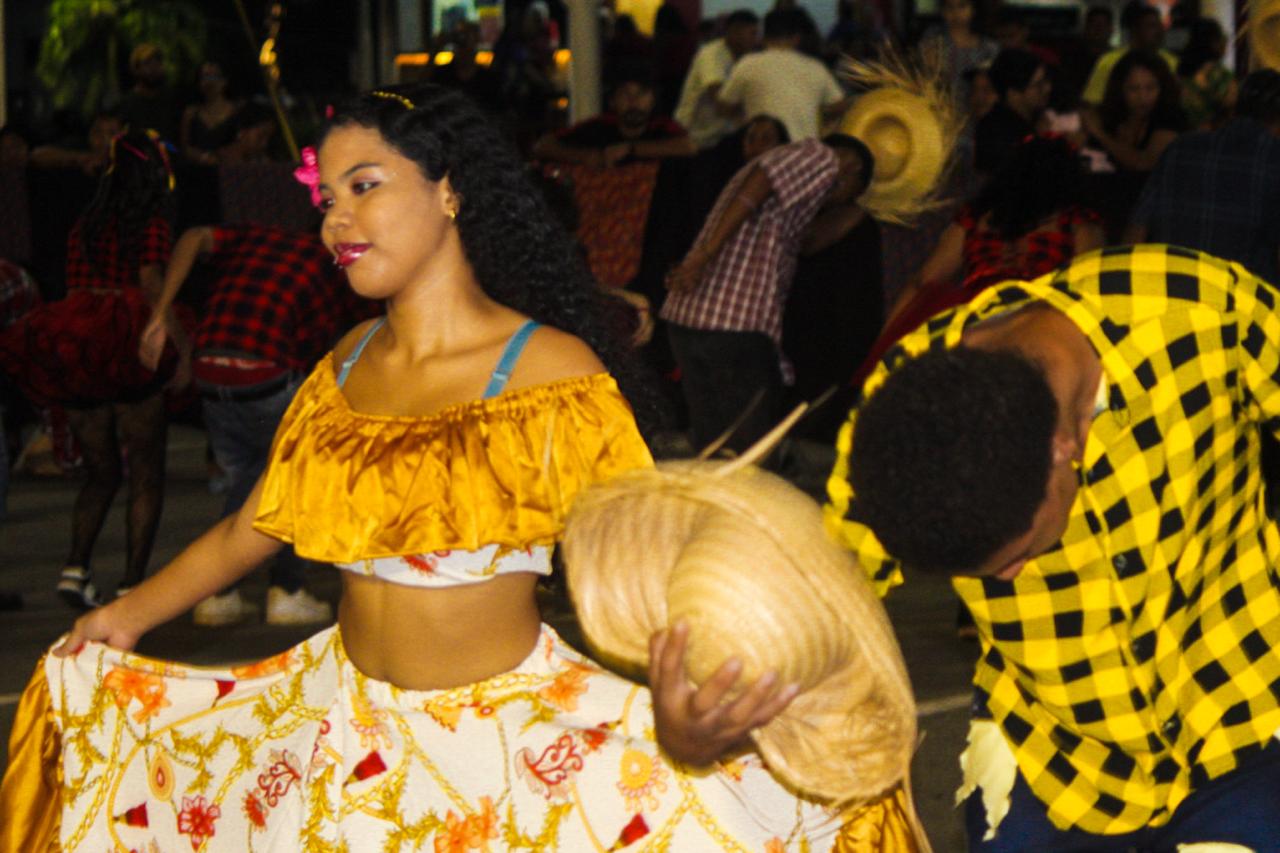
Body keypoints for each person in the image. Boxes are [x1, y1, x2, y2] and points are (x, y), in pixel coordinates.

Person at [0, 84, 890, 851]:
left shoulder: (549, 372)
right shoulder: (345, 363)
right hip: (343, 729)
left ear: (451, 189)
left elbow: (647, 560)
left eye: (364, 186)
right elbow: (252, 526)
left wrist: (688, 702)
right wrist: (123, 616)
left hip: (500, 744)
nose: (336, 219)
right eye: (327, 198)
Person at [827, 243, 1280, 851]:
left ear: (1067, 447)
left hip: (1243, 719)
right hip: (1056, 761)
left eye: (1020, 552)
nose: (1010, 576)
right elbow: (825, 584)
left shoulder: (1199, 311)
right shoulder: (904, 402)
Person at [137, 224, 376, 626]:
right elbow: (341, 343)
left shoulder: (258, 237)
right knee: (296, 478)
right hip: (264, 372)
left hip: (211, 368)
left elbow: (193, 237)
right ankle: (286, 589)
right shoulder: (337, 266)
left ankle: (220, 594)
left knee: (245, 481)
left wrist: (161, 311)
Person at [0, 129, 187, 609]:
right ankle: (131, 584)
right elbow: (150, 281)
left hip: (80, 341)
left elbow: (74, 283)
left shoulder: (86, 221)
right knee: (146, 472)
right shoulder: (150, 221)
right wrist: (180, 344)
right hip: (128, 341)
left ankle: (75, 568)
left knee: (100, 471)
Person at [661, 134, 873, 455]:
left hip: (691, 319)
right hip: (733, 319)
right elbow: (761, 183)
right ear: (852, 169)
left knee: (714, 445)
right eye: (850, 194)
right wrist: (705, 254)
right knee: (750, 450)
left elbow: (807, 242)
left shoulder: (789, 189)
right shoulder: (822, 158)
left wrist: (856, 212)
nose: (835, 203)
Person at [876, 135, 1103, 370]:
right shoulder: (1077, 222)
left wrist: (885, 342)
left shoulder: (976, 218)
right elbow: (1084, 287)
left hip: (975, 312)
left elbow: (924, 280)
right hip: (1036, 317)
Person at [1127, 69, 1280, 283]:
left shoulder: (1181, 148)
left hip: (1170, 287)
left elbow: (1137, 228)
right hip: (1242, 296)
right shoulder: (1273, 158)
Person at [1082, 49, 1187, 240]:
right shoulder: (1111, 118)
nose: (1143, 97)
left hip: (1153, 223)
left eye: (1150, 88)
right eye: (1134, 89)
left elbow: (1145, 162)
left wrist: (1101, 135)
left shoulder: (1170, 118)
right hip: (1107, 218)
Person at [717, 8, 852, 141]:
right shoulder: (815, 67)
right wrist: (815, 112)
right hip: (805, 150)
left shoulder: (747, 64)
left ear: (763, 37)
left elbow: (724, 107)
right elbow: (840, 106)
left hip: (763, 148)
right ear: (797, 38)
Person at [531, 71, 695, 165]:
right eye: (625, 94)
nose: (633, 101)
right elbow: (542, 146)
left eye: (641, 94)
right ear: (613, 101)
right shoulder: (597, 127)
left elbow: (689, 146)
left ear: (652, 101)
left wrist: (631, 149)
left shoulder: (662, 127)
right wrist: (588, 156)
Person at [673, 9, 760, 150]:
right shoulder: (712, 54)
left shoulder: (745, 58)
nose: (756, 40)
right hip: (693, 137)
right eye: (753, 33)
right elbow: (720, 101)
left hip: (719, 136)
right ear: (735, 32)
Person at [1080, 1, 1177, 105]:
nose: (1159, 31)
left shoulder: (1172, 62)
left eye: (1160, 25)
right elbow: (1091, 102)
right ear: (1135, 30)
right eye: (1151, 26)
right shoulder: (1109, 62)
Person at [974, 48, 1053, 176]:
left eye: (1046, 80)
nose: (1047, 88)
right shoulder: (999, 134)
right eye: (1038, 85)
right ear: (1013, 94)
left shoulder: (1037, 121)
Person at [919, 0, 999, 97]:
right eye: (949, 7)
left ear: (973, 9)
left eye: (962, 6)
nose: (955, 12)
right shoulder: (934, 39)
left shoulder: (988, 48)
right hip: (939, 100)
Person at [1177, 17, 1236, 129]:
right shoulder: (1220, 75)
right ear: (1214, 43)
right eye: (1223, 38)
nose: (1226, 43)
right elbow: (1231, 103)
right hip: (1214, 135)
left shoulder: (1182, 71)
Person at [179, 61, 242, 167]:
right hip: (198, 171)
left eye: (214, 76)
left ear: (224, 81)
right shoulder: (191, 113)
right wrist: (203, 157)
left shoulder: (236, 111)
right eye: (205, 77)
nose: (210, 81)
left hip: (230, 170)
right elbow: (185, 148)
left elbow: (243, 143)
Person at [117, 43, 180, 143]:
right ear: (136, 69)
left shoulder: (170, 99)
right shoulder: (128, 103)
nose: (153, 69)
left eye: (157, 64)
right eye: (148, 64)